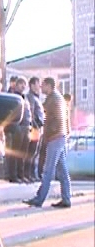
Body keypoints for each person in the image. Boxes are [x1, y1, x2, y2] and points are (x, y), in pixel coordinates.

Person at [23, 77, 72, 208]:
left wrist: (47, 136)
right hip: (60, 136)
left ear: (49, 86)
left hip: (55, 137)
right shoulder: (58, 98)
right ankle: (66, 199)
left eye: (43, 85)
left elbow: (50, 120)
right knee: (62, 170)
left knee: (48, 170)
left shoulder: (52, 100)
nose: (41, 87)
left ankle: (39, 199)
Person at [24, 76, 44, 182]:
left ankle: (32, 173)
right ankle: (29, 174)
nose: (39, 86)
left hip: (39, 128)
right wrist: (35, 125)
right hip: (34, 128)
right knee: (31, 152)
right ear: (32, 85)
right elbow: (31, 113)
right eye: (37, 84)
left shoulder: (36, 97)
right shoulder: (30, 97)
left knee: (35, 152)